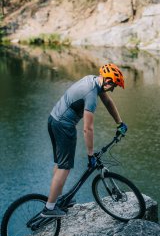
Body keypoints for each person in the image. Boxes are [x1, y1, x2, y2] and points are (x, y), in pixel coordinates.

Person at [41, 63, 127, 218]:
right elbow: (88, 129)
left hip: (53, 119)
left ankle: (59, 199)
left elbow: (108, 102)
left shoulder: (93, 80)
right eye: (113, 86)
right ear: (107, 81)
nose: (112, 89)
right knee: (64, 168)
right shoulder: (91, 95)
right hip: (64, 126)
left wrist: (119, 122)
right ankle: (49, 208)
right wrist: (90, 155)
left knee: (60, 164)